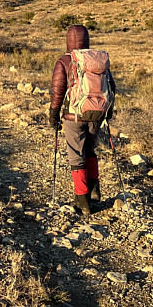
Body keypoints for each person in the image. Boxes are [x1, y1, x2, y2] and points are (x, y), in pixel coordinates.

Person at [48, 25, 115, 216]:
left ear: (68, 40)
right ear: (87, 39)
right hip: (97, 114)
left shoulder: (64, 61)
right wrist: (108, 112)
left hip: (74, 116)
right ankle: (95, 192)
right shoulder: (97, 60)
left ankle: (83, 202)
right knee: (90, 150)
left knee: (76, 156)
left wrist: (54, 115)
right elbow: (111, 86)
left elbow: (58, 91)